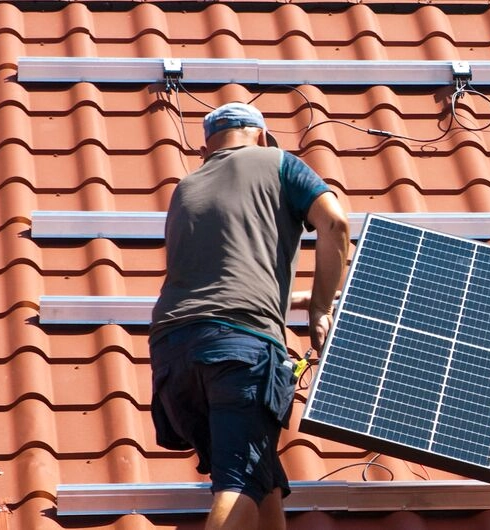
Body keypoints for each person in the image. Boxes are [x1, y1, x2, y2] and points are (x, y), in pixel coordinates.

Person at [149, 102, 350, 530]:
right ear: (260, 135)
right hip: (239, 350)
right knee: (240, 483)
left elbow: (225, 280)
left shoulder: (186, 188)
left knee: (263, 482)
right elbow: (335, 224)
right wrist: (319, 306)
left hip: (173, 355)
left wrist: (294, 299)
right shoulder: (278, 163)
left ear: (208, 149)